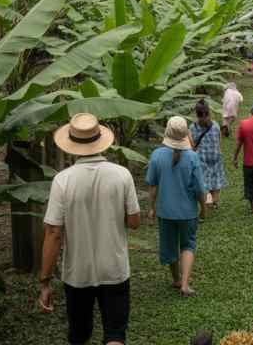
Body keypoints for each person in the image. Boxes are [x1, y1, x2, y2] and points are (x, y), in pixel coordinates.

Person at [39, 113, 140, 345]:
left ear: (72, 145)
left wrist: (45, 281)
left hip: (78, 272)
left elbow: (53, 233)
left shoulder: (62, 181)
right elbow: (134, 222)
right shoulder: (122, 175)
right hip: (114, 268)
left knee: (79, 334)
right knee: (115, 333)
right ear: (100, 141)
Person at [146, 116, 207, 297]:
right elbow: (199, 188)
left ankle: (176, 279)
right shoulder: (192, 157)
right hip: (187, 211)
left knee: (169, 245)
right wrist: (203, 208)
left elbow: (153, 185)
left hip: (165, 211)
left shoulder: (157, 155)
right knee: (188, 244)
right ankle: (185, 284)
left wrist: (152, 207)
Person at [190, 100, 226, 209]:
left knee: (203, 181)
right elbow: (219, 140)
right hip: (215, 157)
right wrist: (218, 151)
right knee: (215, 180)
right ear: (208, 112)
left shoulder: (193, 127)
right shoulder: (215, 125)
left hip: (201, 159)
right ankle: (213, 201)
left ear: (196, 113)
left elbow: (192, 145)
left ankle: (208, 201)